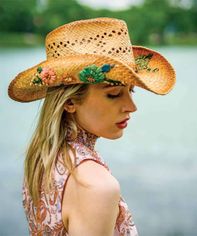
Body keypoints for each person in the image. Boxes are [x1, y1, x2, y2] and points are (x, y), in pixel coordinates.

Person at [8, 17, 175, 235]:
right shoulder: (97, 188)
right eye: (113, 94)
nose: (131, 107)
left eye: (130, 91)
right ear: (69, 102)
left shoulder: (44, 158)